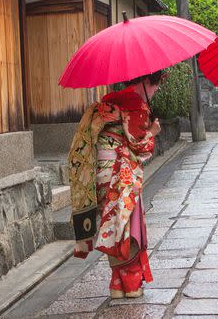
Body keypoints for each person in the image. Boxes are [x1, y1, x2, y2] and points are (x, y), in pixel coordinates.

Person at [68, 70, 165, 298]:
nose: (156, 90)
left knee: (111, 224)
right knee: (126, 224)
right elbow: (140, 147)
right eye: (155, 85)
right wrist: (152, 132)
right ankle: (131, 283)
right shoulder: (135, 104)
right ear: (145, 81)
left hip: (101, 173)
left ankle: (116, 283)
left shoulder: (109, 101)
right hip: (119, 174)